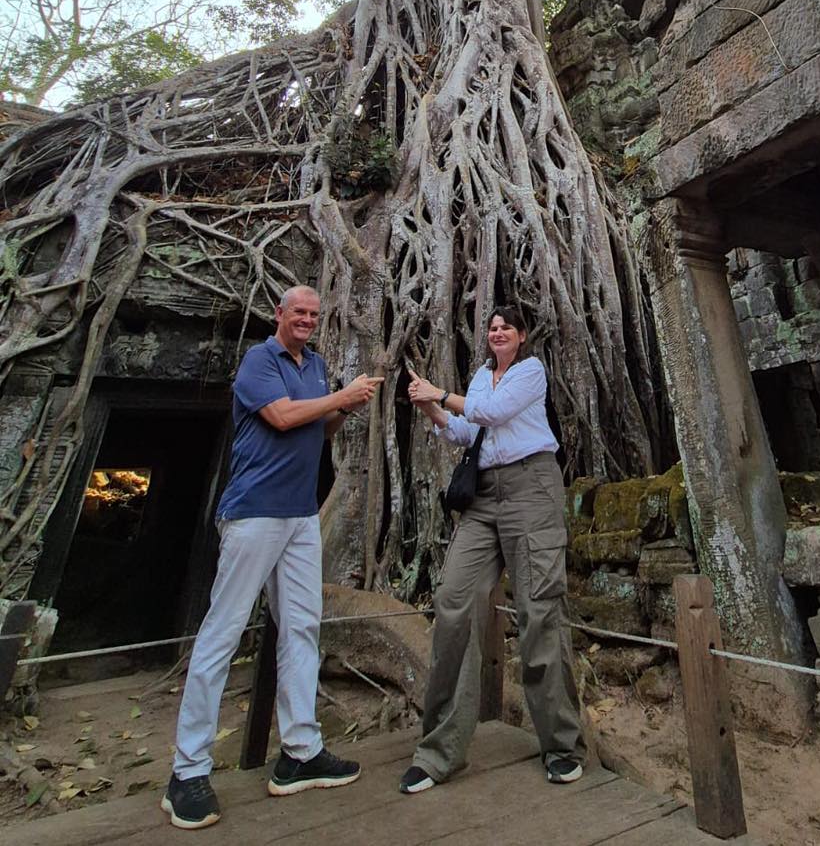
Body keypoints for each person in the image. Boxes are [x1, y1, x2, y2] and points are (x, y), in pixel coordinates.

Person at [162, 285, 380, 830]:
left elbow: (316, 426)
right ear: (279, 314)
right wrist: (339, 396)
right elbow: (282, 417)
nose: (305, 320)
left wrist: (344, 409)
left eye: (313, 314)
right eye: (297, 312)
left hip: (301, 515)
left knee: (303, 627)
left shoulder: (316, 364)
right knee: (222, 632)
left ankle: (299, 752)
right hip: (255, 512)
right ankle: (187, 771)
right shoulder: (259, 361)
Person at [399, 304, 585, 794]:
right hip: (482, 498)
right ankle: (438, 751)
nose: (498, 331)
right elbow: (467, 430)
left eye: (507, 327)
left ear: (521, 337)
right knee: (453, 602)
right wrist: (431, 409)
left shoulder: (531, 372)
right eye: (493, 326)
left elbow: (493, 413)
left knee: (539, 610)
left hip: (532, 490)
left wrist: (442, 392)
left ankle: (562, 746)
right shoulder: (480, 378)